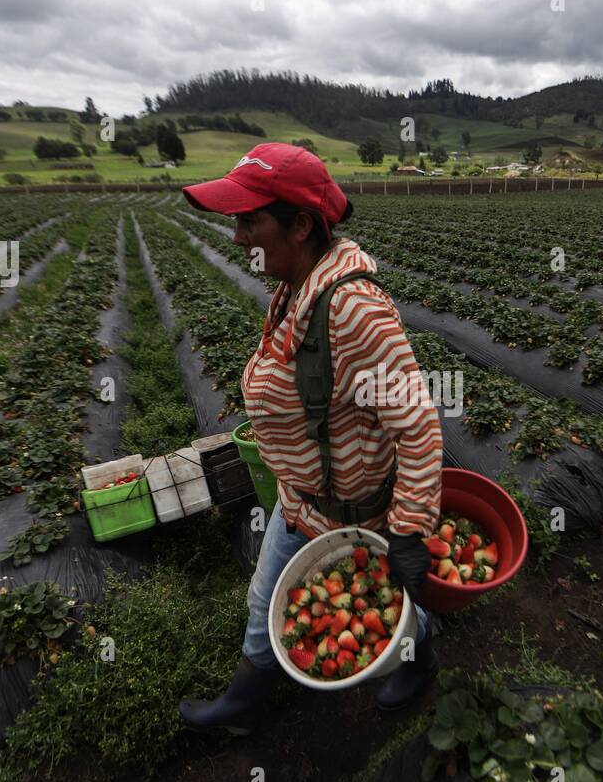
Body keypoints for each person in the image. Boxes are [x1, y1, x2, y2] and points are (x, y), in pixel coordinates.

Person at [178, 143, 445, 735]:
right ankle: (245, 704)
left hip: (355, 515)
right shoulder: (295, 288)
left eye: (250, 219)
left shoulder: (353, 311)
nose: (236, 234)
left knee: (387, 615)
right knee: (263, 600)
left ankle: (419, 653)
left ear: (301, 225)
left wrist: (408, 529)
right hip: (299, 501)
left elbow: (420, 426)